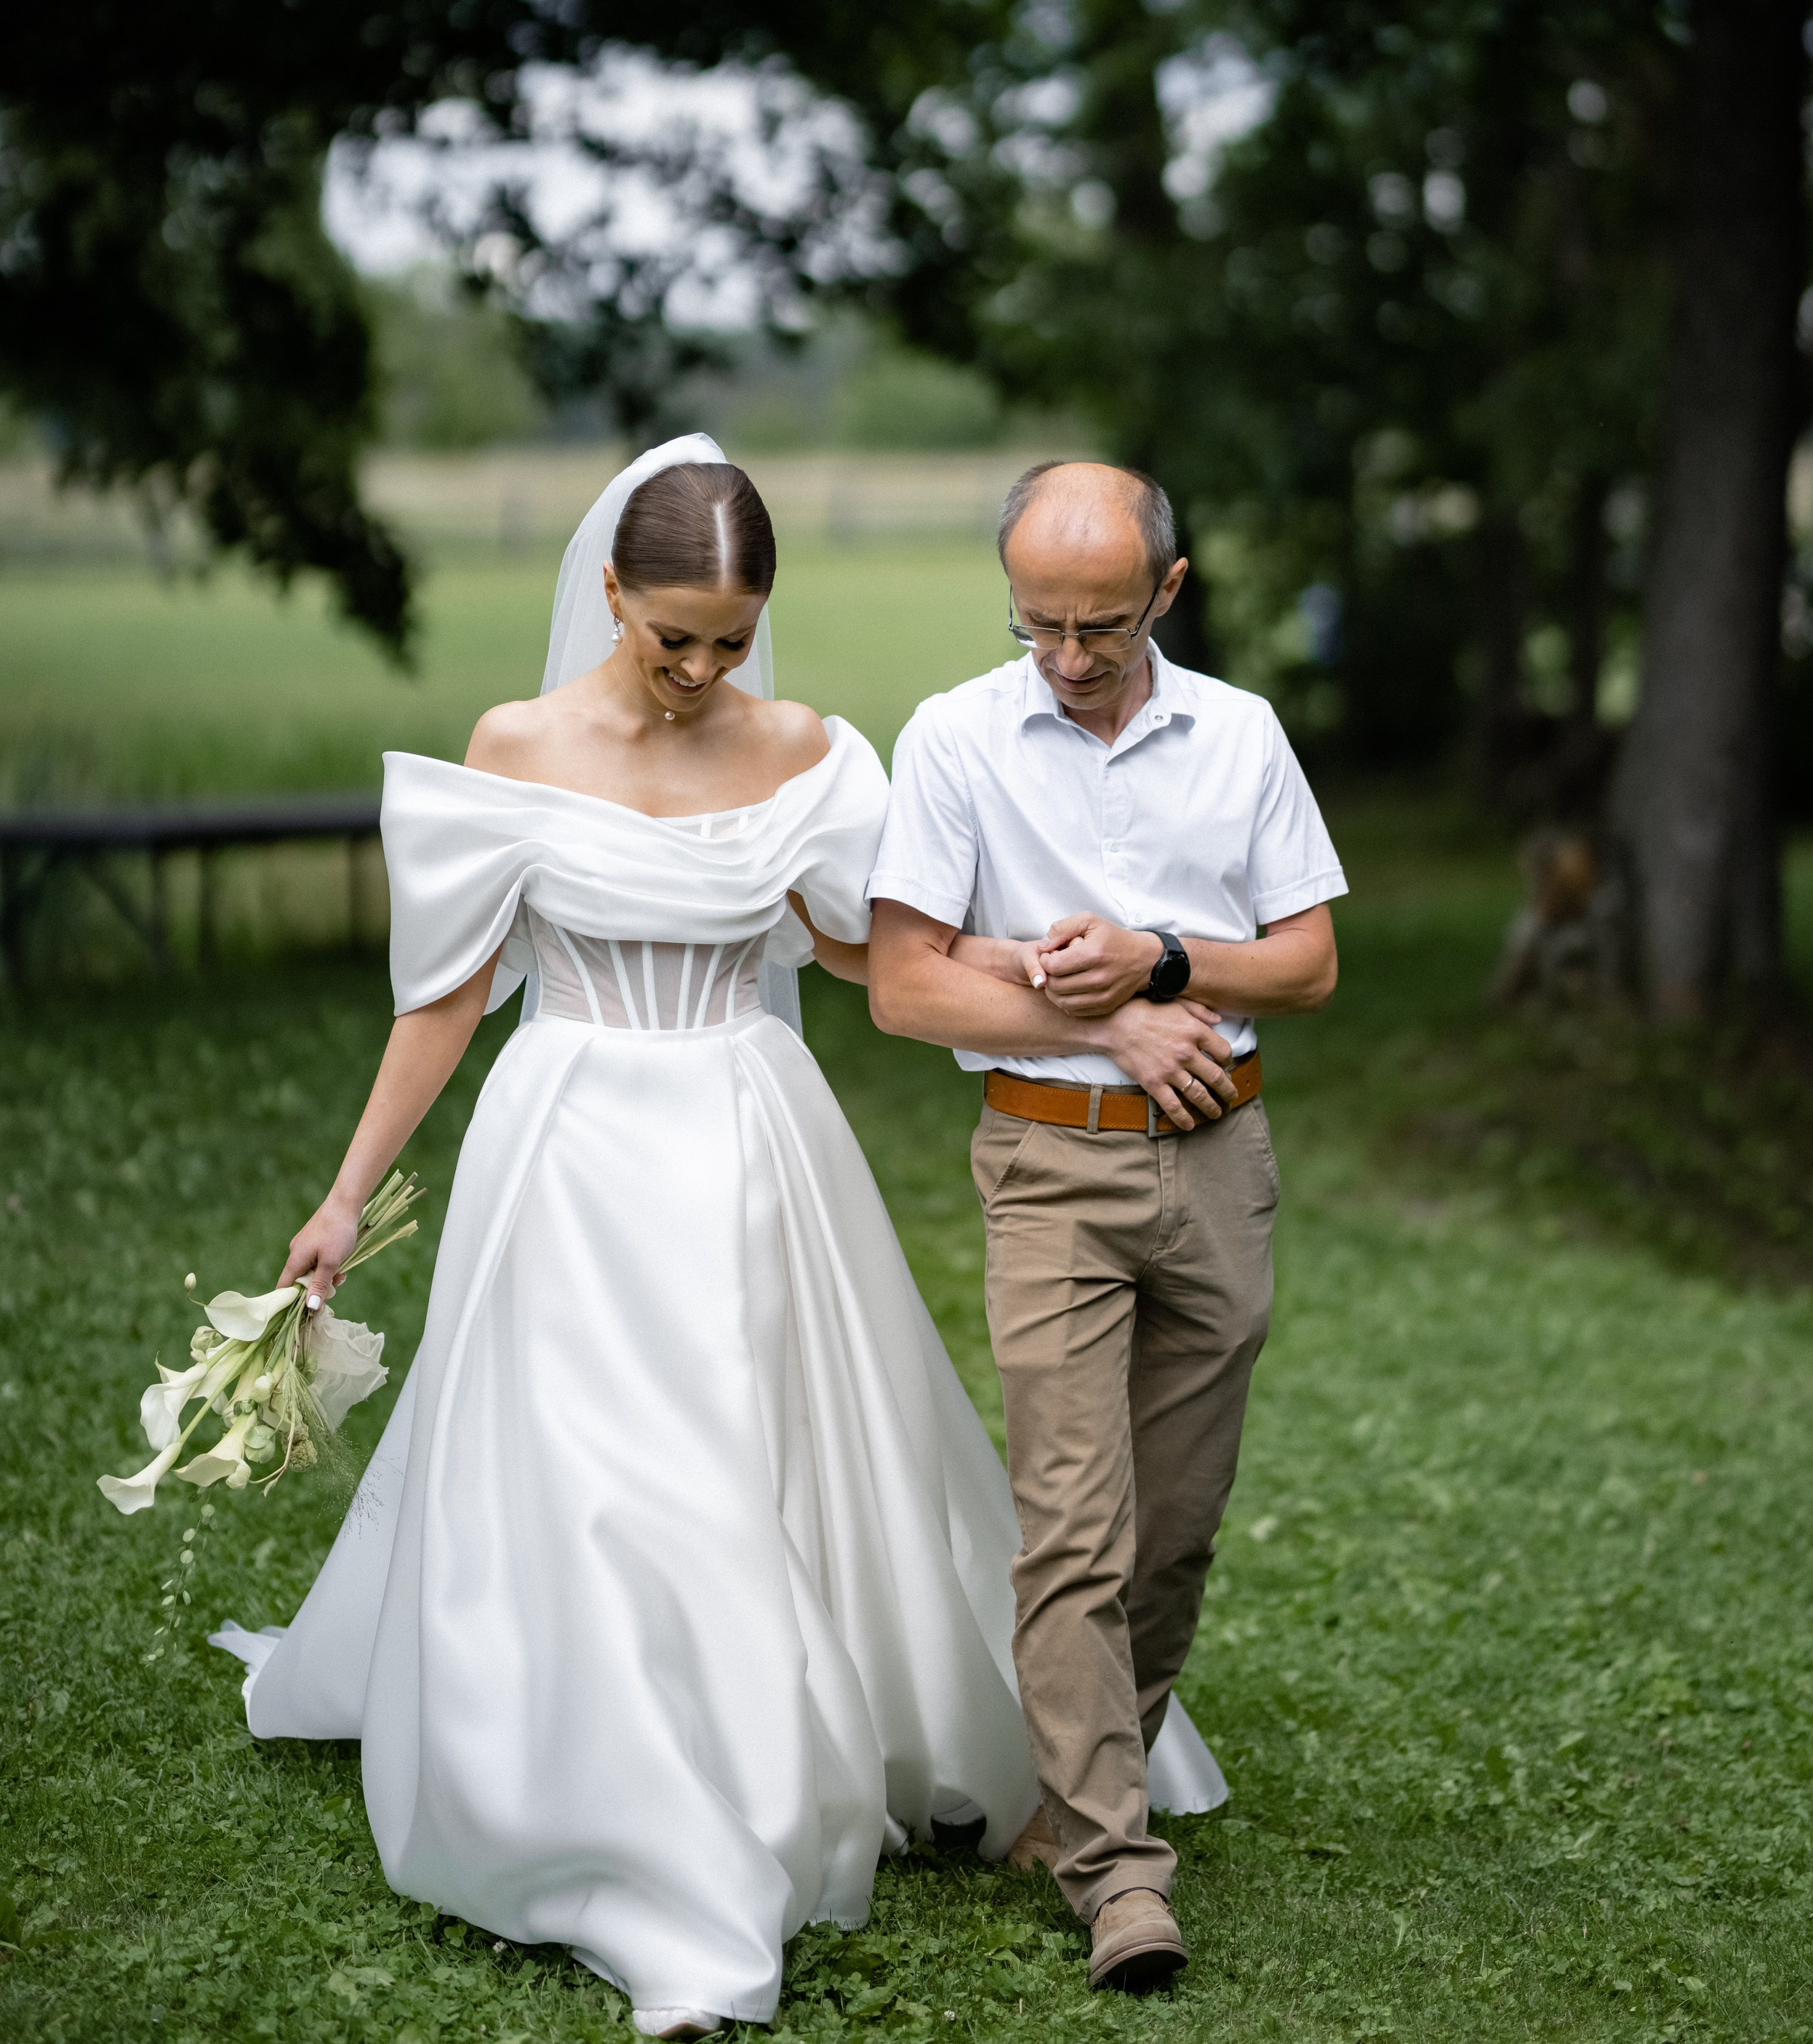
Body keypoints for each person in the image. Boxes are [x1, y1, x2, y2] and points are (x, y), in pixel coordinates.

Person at [211, 437, 1040, 2041]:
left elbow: (872, 958)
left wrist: (1052, 989)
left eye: (730, 638)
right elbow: (448, 992)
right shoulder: (514, 747)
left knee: (750, 1452)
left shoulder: (801, 747)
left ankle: (782, 1755)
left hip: (747, 1126)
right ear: (607, 590)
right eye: (673, 634)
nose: (701, 667)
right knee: (599, 1476)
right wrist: (340, 1193)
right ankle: (642, 1829)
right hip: (571, 1138)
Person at [866, 459, 1346, 1996]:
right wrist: (1112, 1028)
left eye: (1098, 623)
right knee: (1072, 1518)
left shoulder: (1243, 734)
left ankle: (1084, 1776)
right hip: (1047, 1163)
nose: (1066, 654)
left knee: (1175, 1524)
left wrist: (1151, 967)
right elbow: (906, 982)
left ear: (1167, 588)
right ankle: (1113, 1869)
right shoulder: (950, 736)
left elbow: (1307, 961)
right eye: (1036, 622)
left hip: (1220, 1159)